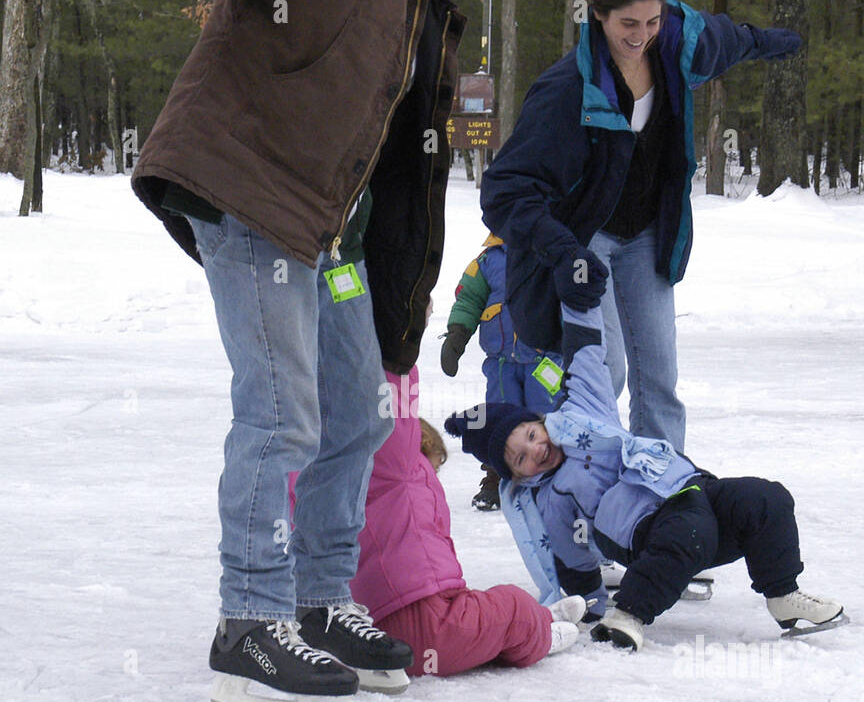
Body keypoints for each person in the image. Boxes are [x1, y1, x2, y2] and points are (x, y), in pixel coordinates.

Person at [17, 0, 531, 702]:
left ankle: (318, 605)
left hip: (328, 232)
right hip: (247, 190)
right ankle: (249, 625)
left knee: (362, 411)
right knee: (281, 409)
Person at [480, 0, 803, 454]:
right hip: (588, 244)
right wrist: (561, 251)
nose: (642, 35)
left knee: (660, 379)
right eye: (628, 24)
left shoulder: (675, 48)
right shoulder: (568, 89)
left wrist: (768, 42)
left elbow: (727, 40)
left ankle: (663, 490)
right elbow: (504, 188)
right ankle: (588, 484)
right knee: (602, 374)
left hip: (648, 235)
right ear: (599, 16)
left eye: (651, 22)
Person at [445, 304, 845, 652]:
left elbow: (586, 354)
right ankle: (628, 615)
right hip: (647, 530)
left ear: (541, 422)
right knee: (689, 531)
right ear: (516, 475)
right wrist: (587, 604)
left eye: (531, 436)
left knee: (765, 498)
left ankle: (783, 594)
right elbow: (571, 557)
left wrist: (577, 292)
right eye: (520, 458)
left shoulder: (584, 413)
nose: (534, 450)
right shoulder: (551, 498)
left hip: (692, 488)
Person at [347, 368, 588, 677]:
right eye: (431, 469)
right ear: (415, 445)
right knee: (511, 606)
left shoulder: (343, 482)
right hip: (425, 623)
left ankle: (538, 619)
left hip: (371, 629)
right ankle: (541, 633)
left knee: (479, 611)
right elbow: (394, 408)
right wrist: (399, 344)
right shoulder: (399, 467)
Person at [440, 234, 565, 511]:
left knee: (549, 415)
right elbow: (468, 299)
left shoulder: (554, 250)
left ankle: (556, 479)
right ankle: (496, 478)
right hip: (501, 363)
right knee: (500, 417)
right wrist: (457, 334)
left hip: (545, 361)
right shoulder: (487, 262)